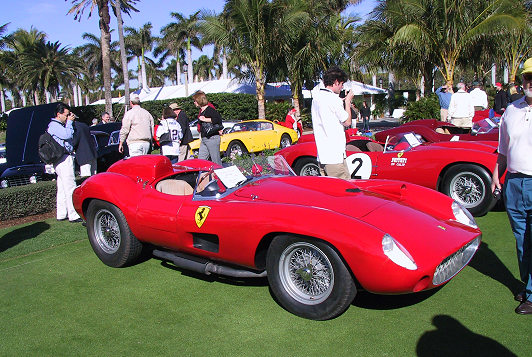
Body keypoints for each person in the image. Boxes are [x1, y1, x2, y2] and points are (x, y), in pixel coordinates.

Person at [491, 57, 532, 315]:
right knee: (521, 241)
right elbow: (504, 149)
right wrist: (497, 174)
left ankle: (531, 293)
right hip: (514, 183)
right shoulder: (512, 110)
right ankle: (529, 286)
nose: (531, 83)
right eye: (529, 78)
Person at [311, 66, 354, 179]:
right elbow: (347, 122)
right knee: (346, 191)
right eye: (341, 84)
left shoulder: (316, 97)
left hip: (323, 156)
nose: (342, 87)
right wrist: (348, 102)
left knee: (330, 192)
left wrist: (341, 101)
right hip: (335, 156)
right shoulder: (333, 99)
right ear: (336, 82)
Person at [47, 103, 82, 223]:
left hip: (63, 158)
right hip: (63, 158)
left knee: (62, 187)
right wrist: (70, 123)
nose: (68, 117)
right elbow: (67, 135)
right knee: (70, 186)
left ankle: (61, 214)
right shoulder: (54, 125)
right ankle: (73, 214)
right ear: (59, 114)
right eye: (66, 115)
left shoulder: (58, 125)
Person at [193, 91, 223, 165]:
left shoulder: (210, 109)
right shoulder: (201, 111)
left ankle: (219, 175)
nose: (194, 102)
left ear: (199, 101)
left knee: (216, 160)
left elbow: (218, 120)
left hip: (212, 138)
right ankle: (203, 175)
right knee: (201, 160)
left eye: (195, 101)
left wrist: (205, 119)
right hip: (204, 138)